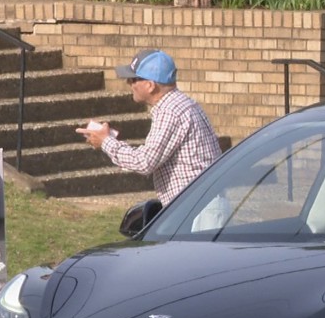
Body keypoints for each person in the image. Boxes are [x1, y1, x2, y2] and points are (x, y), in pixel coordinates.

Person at [76, 49, 221, 205]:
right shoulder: (181, 104)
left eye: (133, 80)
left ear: (150, 85)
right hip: (200, 204)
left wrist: (105, 142)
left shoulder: (169, 111)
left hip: (196, 208)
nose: (129, 84)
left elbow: (144, 162)